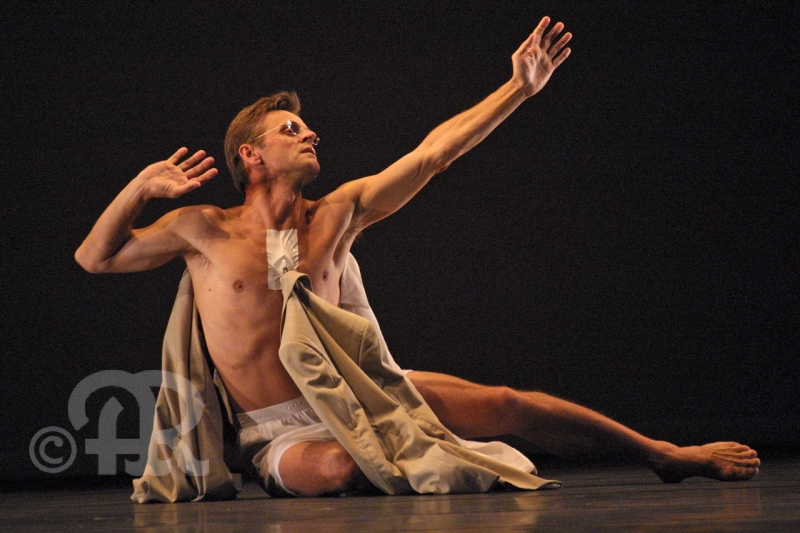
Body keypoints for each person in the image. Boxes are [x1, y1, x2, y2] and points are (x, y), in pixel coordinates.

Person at [75, 17, 759, 497]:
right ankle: (368, 459)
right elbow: (95, 258)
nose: (310, 134)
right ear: (251, 156)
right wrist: (139, 189)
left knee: (507, 401)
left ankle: (664, 454)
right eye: (291, 129)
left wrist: (519, 88)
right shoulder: (204, 229)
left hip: (361, 395)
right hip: (281, 430)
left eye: (307, 126)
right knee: (344, 468)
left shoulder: (337, 214)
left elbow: (433, 155)